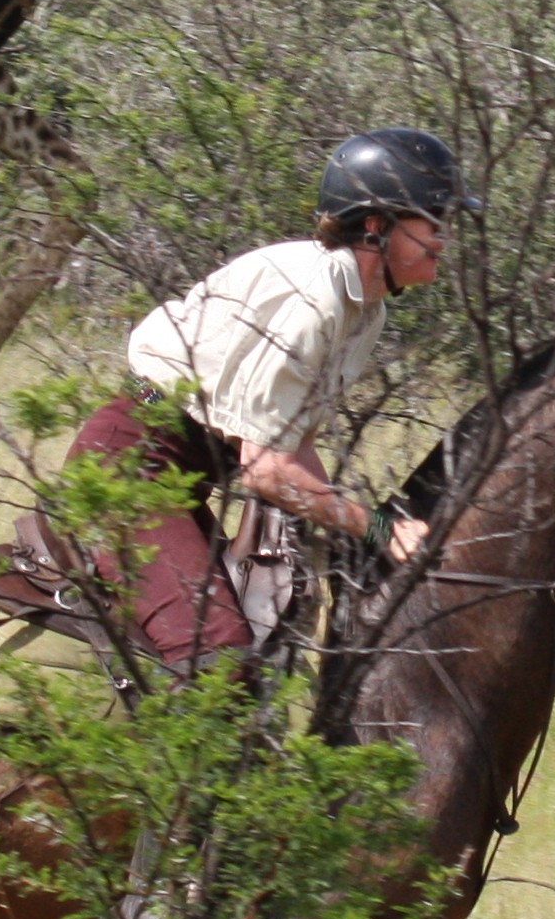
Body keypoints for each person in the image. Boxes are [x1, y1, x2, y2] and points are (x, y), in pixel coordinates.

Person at [59, 128, 480, 669]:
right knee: (218, 658)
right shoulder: (317, 300)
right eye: (434, 219)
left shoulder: (366, 308)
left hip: (180, 473)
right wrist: (377, 528)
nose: (446, 237)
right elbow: (265, 472)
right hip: (130, 465)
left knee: (263, 647)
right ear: (377, 225)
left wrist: (345, 529)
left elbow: (291, 444)